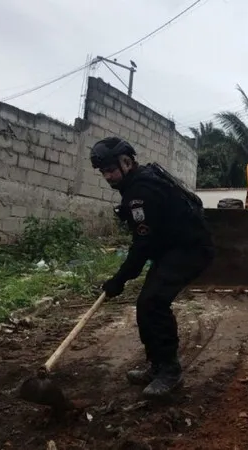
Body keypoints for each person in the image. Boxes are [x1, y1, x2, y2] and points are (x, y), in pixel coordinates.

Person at [90, 137, 214, 398]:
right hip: (172, 248)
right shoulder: (138, 183)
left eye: (112, 170)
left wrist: (119, 279)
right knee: (146, 303)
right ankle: (157, 365)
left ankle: (170, 371)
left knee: (154, 302)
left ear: (127, 162)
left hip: (189, 250)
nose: (109, 177)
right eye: (104, 172)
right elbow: (148, 240)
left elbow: (143, 245)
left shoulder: (140, 192)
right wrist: (122, 277)